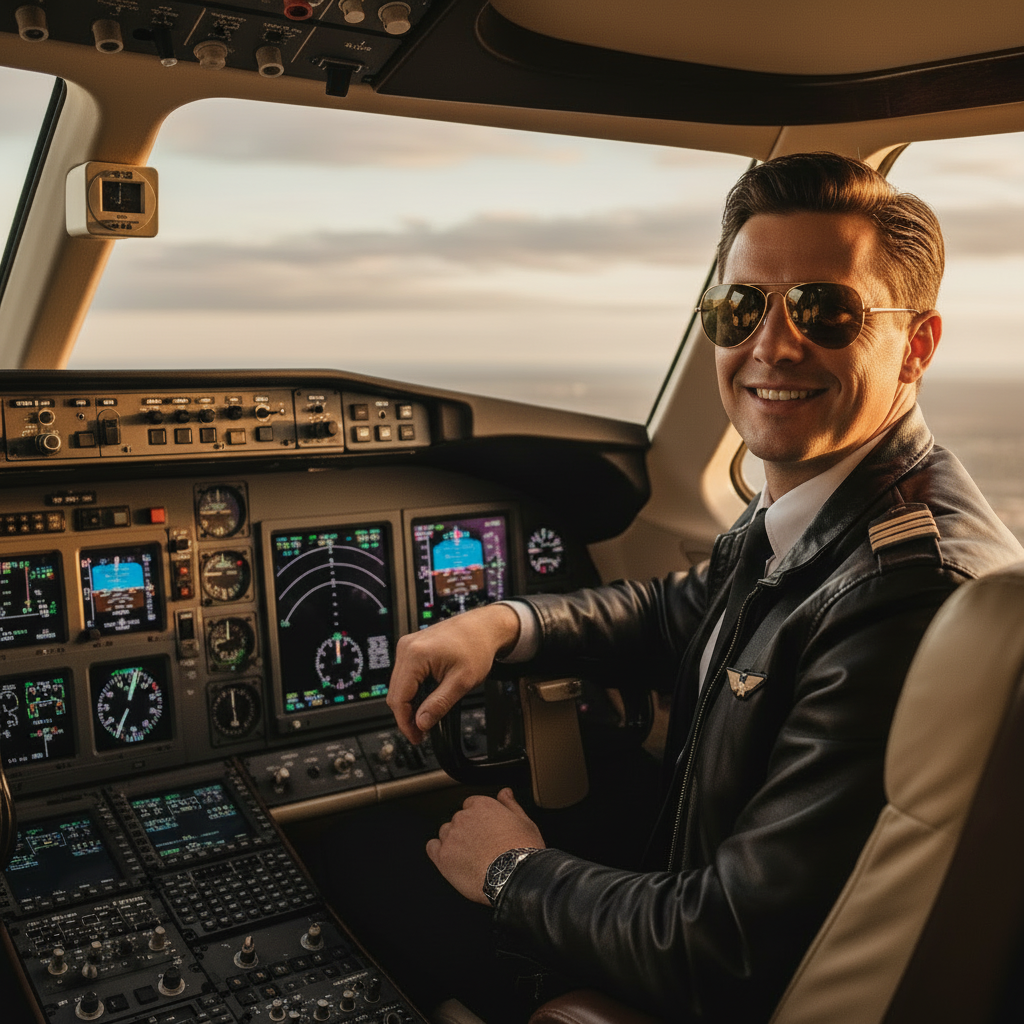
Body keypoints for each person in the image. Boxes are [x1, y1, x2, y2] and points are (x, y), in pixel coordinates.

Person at [386, 153, 1024, 1021]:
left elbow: (724, 948)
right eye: (741, 307)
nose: (770, 344)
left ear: (916, 345)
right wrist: (504, 623)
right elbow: (683, 610)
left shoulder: (899, 596)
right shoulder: (821, 504)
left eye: (824, 310)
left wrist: (512, 872)